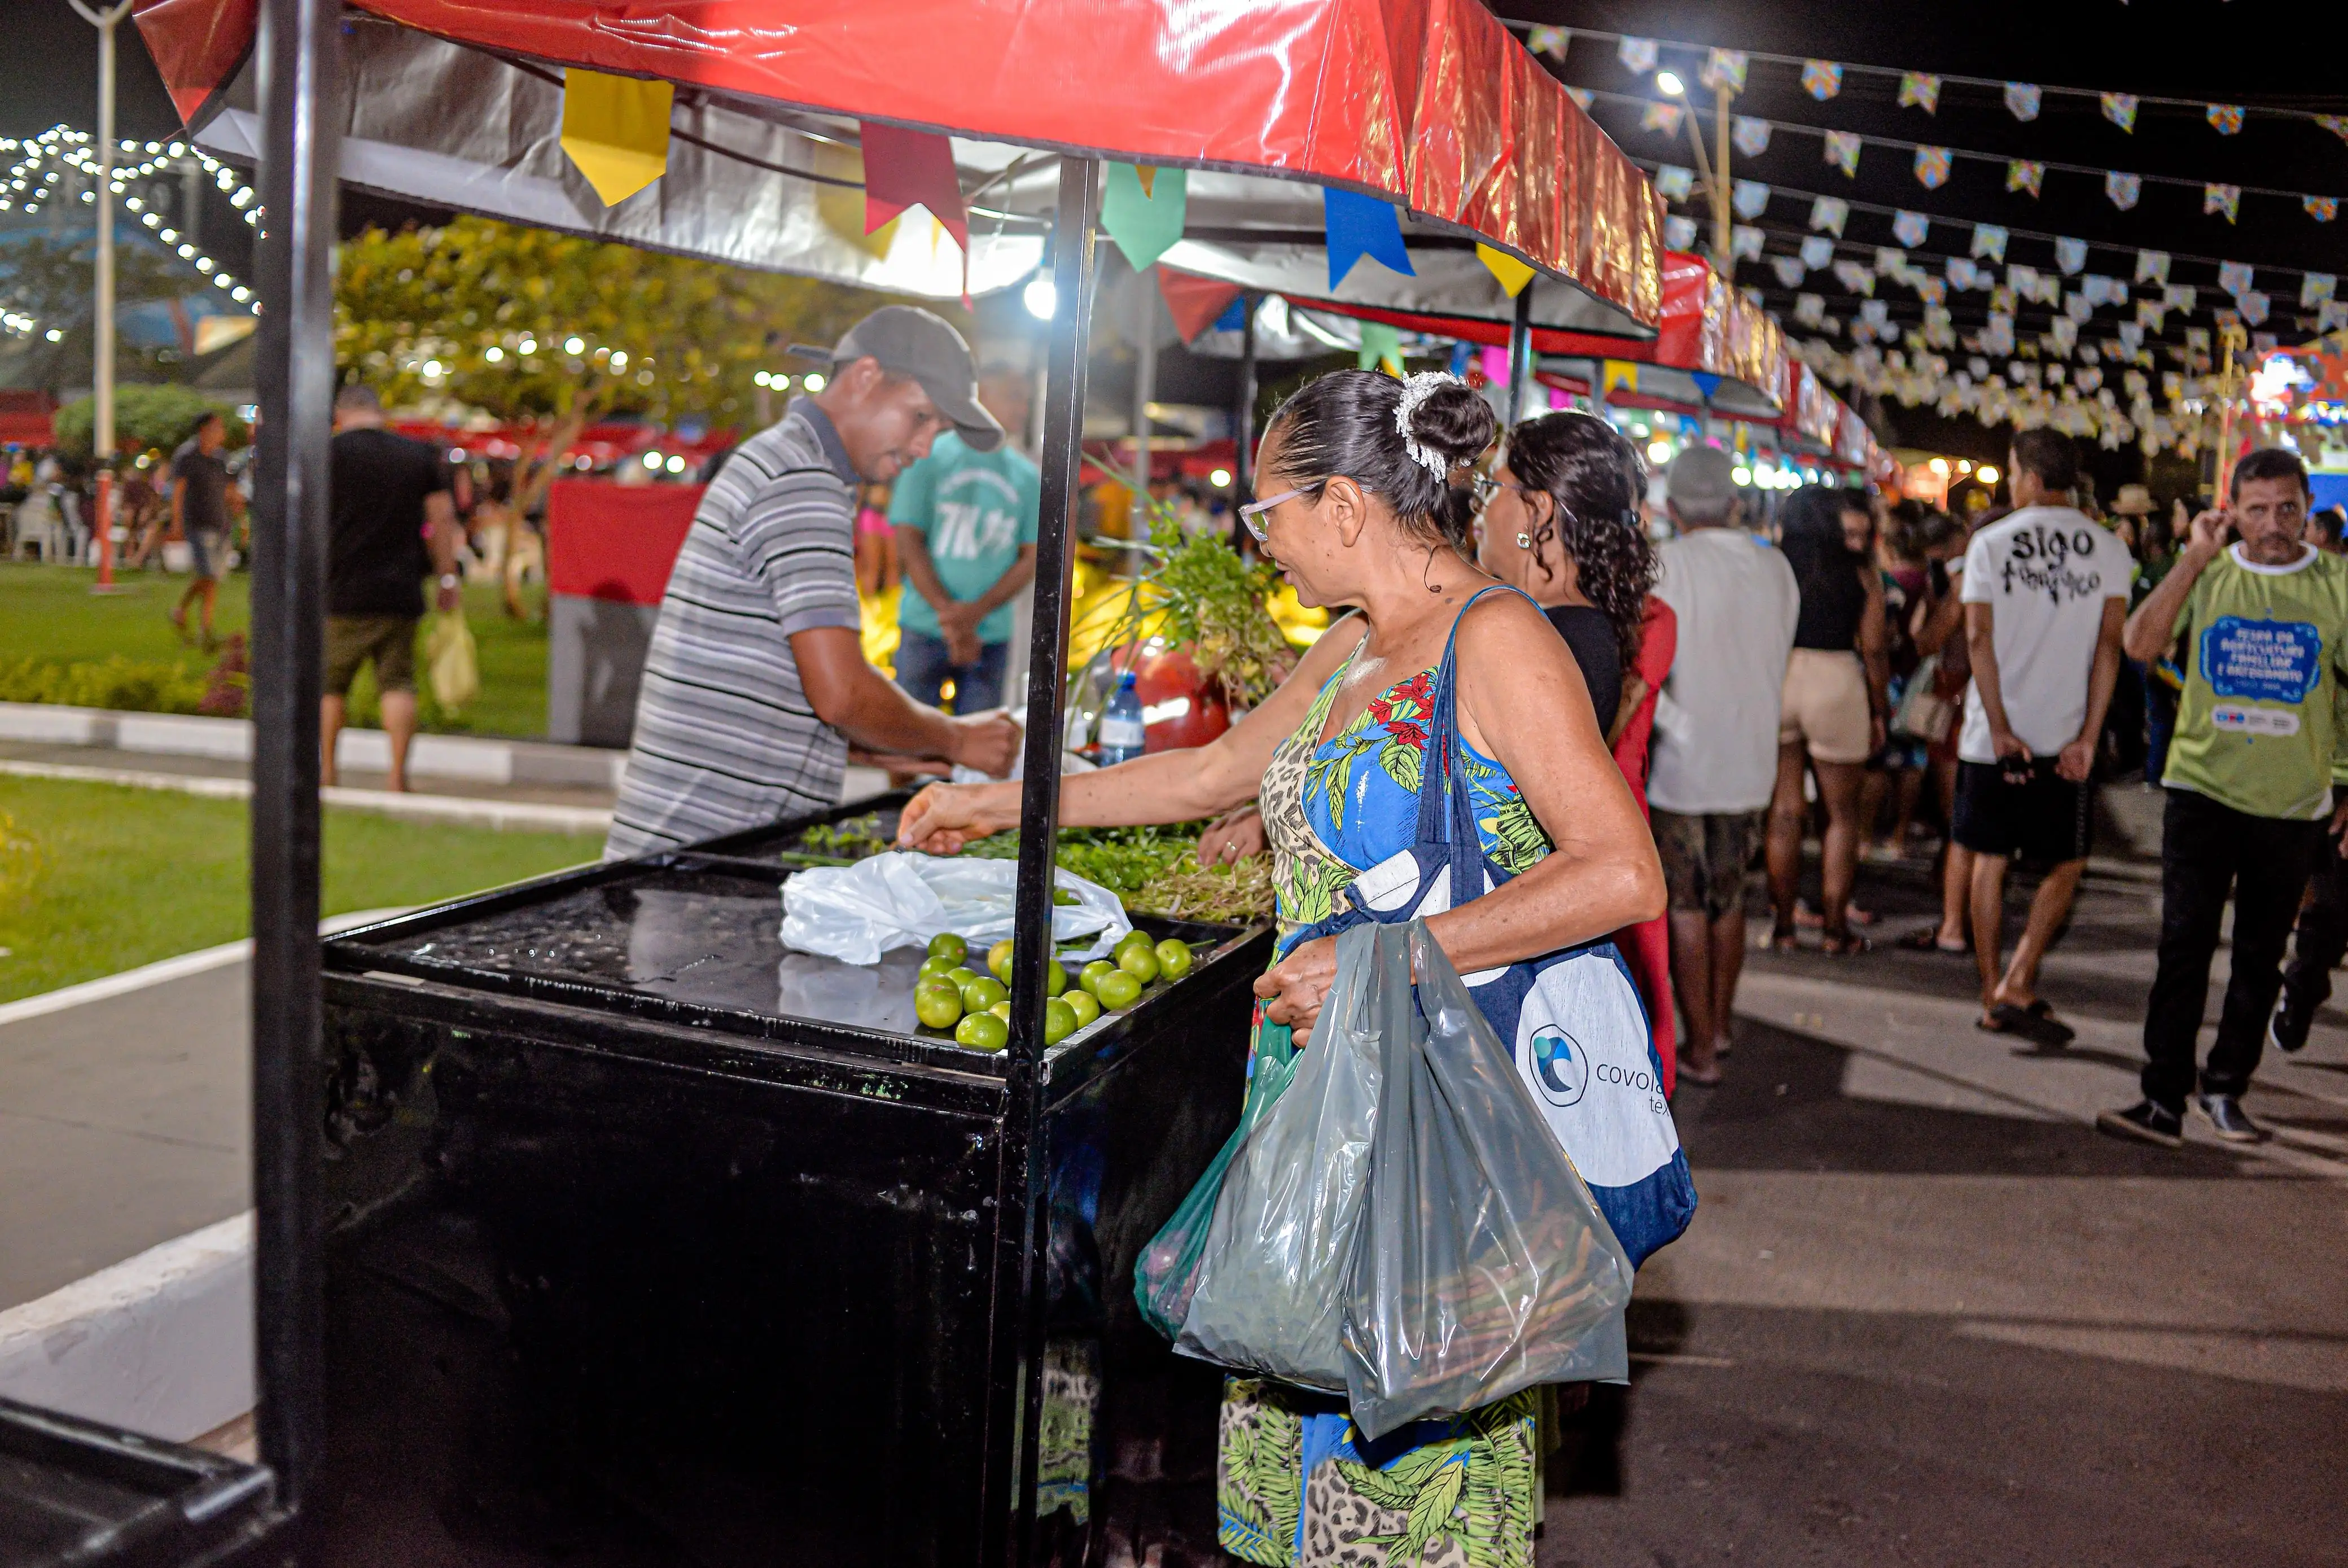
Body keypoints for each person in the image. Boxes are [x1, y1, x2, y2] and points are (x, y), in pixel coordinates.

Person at [895, 367, 1662, 1564]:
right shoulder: (1355, 641)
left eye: (1271, 513)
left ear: (1344, 505)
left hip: (1429, 1123)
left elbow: (1622, 871)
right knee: (1289, 1457)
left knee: (1405, 1478)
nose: (1264, 542)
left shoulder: (1498, 639)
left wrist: (1384, 957)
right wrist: (996, 802)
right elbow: (1210, 774)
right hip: (1310, 1102)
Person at [604, 306, 1022, 859]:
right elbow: (840, 693)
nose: (924, 448)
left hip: (700, 847)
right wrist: (957, 739)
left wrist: (875, 742)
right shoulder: (801, 480)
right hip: (703, 857)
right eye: (920, 417)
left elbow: (763, 678)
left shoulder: (792, 464)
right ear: (866, 376)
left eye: (936, 430)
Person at [2101, 448, 2348, 1146]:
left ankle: (2224, 1088)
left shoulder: (2336, 583)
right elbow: (2139, 645)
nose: (2272, 524)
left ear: (2305, 509)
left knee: (2258, 959)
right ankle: (2161, 1098)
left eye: (2286, 509)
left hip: (2291, 804)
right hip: (2201, 791)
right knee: (2182, 947)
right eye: (2256, 510)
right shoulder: (2206, 570)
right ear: (2230, 511)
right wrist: (2191, 560)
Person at [1475, 409, 1679, 1089]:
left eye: (1493, 490)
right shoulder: (1572, 626)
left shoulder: (1555, 639)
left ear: (1536, 510)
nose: (1480, 512)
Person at [1947, 428, 2127, 1045]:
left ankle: (1990, 991)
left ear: (2027, 475)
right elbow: (2109, 648)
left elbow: (1977, 638)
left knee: (1989, 860)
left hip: (1991, 736)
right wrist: (2089, 735)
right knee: (2067, 861)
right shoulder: (2107, 547)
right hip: (2064, 733)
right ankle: (2020, 975)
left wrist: (1999, 726)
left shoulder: (1990, 542)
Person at [1647, 445, 1800, 1085]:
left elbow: (1647, 665)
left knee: (1686, 901)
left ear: (1673, 507)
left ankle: (1702, 1044)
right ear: (1735, 503)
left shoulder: (1664, 564)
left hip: (1680, 760)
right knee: (1729, 896)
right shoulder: (1776, 567)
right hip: (1749, 757)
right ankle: (1723, 1025)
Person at [321, 385, 463, 793]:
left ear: (341, 414)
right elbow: (441, 519)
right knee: (398, 683)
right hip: (401, 588)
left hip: (340, 588)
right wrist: (447, 576)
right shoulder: (416, 456)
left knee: (330, 686)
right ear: (378, 411)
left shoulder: (327, 454)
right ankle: (397, 777)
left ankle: (327, 772)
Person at [1766, 487, 1889, 954]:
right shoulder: (1859, 570)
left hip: (1782, 678)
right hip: (1836, 679)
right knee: (1841, 816)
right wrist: (1880, 707)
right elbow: (1874, 647)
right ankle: (1835, 930)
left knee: (1784, 812)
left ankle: (1784, 927)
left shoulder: (1775, 567)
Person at [887, 366, 1039, 715]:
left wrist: (973, 616)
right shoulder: (929, 456)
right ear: (981, 397)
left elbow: (1032, 556)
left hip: (990, 634)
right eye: (1013, 397)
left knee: (980, 739)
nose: (1023, 409)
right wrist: (952, 617)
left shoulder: (1027, 476)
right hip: (925, 626)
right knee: (909, 736)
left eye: (1026, 401)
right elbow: (909, 539)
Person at [168, 412, 235, 647]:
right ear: (204, 430)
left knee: (212, 578)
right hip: (198, 523)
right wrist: (176, 523)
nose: (222, 432)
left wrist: (236, 508)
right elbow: (178, 491)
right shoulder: (187, 456)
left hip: (220, 523)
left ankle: (200, 625)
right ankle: (190, 615)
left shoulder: (221, 458)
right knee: (208, 574)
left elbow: (227, 490)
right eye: (218, 427)